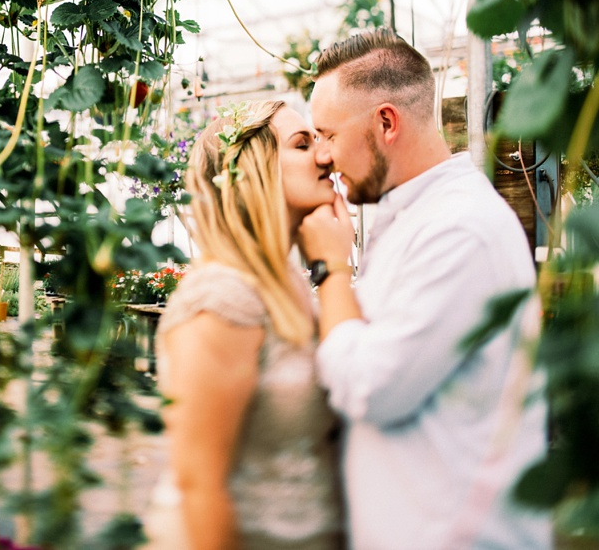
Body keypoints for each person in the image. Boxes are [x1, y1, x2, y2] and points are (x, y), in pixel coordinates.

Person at [298, 28, 552, 549]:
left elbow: (372, 388)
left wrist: (331, 269)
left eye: (326, 134)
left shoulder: (460, 230)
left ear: (385, 122)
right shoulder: (407, 218)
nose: (322, 156)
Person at [143, 100, 344, 550]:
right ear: (256, 168)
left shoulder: (292, 280)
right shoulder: (220, 299)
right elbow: (200, 486)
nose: (325, 155)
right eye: (302, 143)